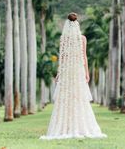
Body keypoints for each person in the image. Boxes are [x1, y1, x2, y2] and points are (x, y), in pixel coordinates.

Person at [40, 12, 107, 140]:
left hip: (68, 73)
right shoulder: (82, 39)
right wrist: (86, 73)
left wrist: (59, 73)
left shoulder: (64, 39)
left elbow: (62, 58)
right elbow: (84, 57)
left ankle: (65, 127)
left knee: (67, 98)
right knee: (77, 97)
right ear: (77, 24)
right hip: (78, 72)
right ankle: (78, 126)